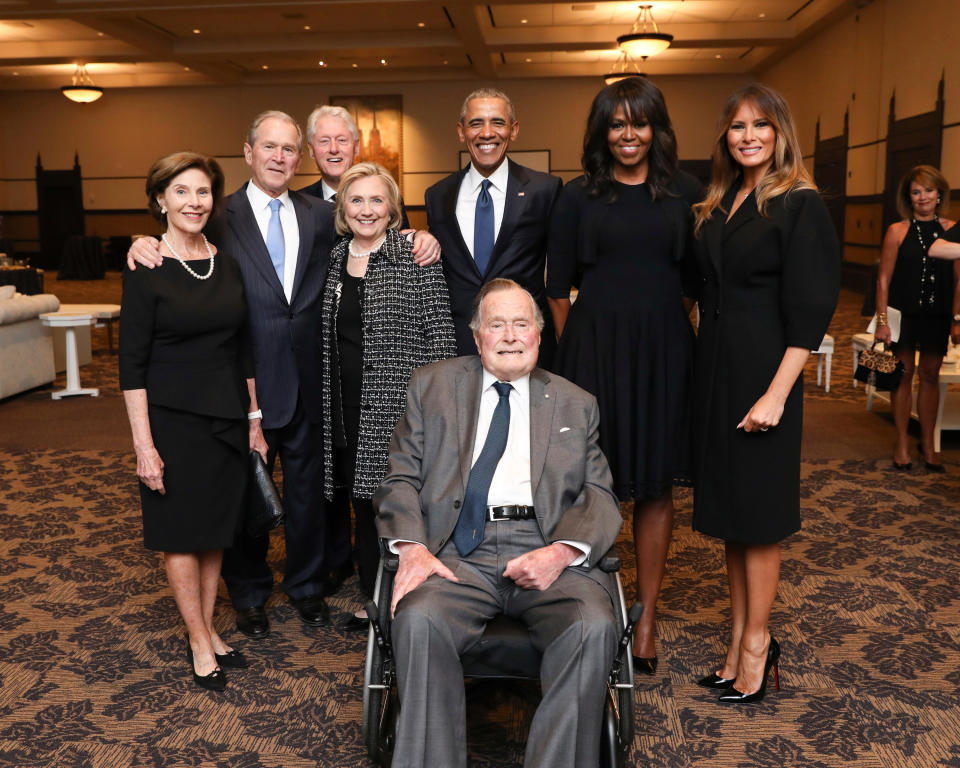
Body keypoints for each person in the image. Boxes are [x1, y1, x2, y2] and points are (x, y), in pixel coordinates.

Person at [374, 278, 623, 768]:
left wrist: (563, 553)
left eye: (521, 324)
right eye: (496, 325)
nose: (510, 335)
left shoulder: (576, 401)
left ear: (538, 334)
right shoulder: (432, 386)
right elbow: (398, 476)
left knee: (593, 625)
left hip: (544, 545)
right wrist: (413, 548)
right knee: (419, 620)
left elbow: (600, 493)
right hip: (455, 551)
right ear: (477, 336)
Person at [127, 111, 339, 640]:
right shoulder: (217, 213)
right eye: (268, 147)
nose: (279, 158)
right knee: (245, 497)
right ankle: (248, 596)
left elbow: (369, 236)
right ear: (248, 152)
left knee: (307, 494)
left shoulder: (319, 214)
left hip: (307, 377)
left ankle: (308, 588)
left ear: (300, 156)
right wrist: (140, 241)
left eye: (290, 149)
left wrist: (416, 238)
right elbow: (173, 235)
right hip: (240, 381)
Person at [546, 76, 702, 675]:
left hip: (664, 351)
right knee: (589, 482)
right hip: (592, 352)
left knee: (656, 485)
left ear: (656, 128)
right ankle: (588, 608)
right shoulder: (579, 195)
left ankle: (648, 615)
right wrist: (578, 351)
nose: (628, 135)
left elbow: (694, 282)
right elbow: (557, 285)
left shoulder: (685, 191)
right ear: (602, 131)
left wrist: (660, 328)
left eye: (639, 123)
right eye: (616, 124)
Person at [690, 84, 839, 703]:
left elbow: (810, 313)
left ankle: (758, 645)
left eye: (760, 125)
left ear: (781, 133)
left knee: (760, 520)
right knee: (732, 518)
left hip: (765, 374)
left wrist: (778, 394)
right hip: (718, 373)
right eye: (736, 127)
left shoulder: (800, 204)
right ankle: (736, 642)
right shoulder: (721, 201)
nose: (747, 136)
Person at [120, 151, 266, 691]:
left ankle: (207, 628)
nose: (193, 202)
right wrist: (143, 445)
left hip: (226, 416)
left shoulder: (223, 262)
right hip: (172, 420)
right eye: (181, 191)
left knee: (213, 532)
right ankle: (199, 639)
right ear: (160, 199)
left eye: (202, 192)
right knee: (181, 534)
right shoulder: (146, 265)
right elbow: (130, 363)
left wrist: (253, 418)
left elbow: (243, 349)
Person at [320, 162, 456, 628]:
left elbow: (441, 340)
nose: (366, 209)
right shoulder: (335, 258)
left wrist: (440, 415)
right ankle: (373, 597)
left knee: (397, 505)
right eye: (356, 200)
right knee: (360, 503)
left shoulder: (413, 255)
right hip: (345, 404)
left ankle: (407, 598)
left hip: (399, 409)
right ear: (343, 208)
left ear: (393, 207)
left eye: (377, 200)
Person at [424, 88, 562, 366]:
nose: (487, 133)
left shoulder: (544, 190)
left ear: (514, 130)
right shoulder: (437, 195)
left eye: (498, 122)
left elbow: (560, 272)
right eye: (476, 123)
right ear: (462, 132)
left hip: (522, 344)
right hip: (456, 344)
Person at [874, 165, 958, 471]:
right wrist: (882, 320)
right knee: (904, 374)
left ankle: (929, 445)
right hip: (903, 315)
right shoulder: (897, 231)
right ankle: (902, 443)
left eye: (929, 190)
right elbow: (883, 279)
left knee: (931, 376)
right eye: (916, 191)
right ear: (908, 198)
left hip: (937, 315)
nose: (923, 197)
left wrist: (957, 318)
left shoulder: (952, 229)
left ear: (939, 195)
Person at [299, 105, 411, 229]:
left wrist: (419, 236)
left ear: (356, 147)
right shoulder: (298, 204)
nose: (333, 149)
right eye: (324, 141)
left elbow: (404, 241)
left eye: (341, 140)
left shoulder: (388, 198)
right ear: (311, 150)